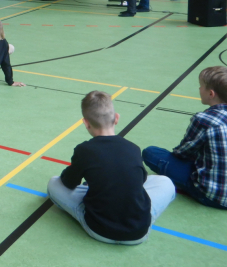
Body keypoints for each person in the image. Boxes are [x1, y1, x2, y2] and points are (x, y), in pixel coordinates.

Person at [48, 91, 176, 244]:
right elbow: (141, 182)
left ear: (86, 123)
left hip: (99, 230)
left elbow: (68, 182)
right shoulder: (133, 148)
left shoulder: (84, 150)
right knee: (165, 182)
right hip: (138, 232)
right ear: (116, 118)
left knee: (53, 183)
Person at [142, 66, 227, 210]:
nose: (199, 89)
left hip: (211, 195)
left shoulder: (204, 120)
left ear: (211, 93)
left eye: (201, 86)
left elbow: (183, 153)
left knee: (151, 153)